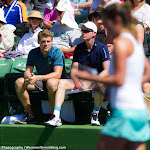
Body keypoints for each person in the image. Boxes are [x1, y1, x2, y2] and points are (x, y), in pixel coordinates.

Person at [75, 3, 150, 150]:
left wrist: (94, 78)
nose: (105, 23)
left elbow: (118, 79)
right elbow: (147, 73)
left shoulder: (122, 44)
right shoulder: (132, 42)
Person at [44, 21, 110, 127]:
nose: (83, 33)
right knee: (61, 83)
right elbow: (74, 70)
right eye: (82, 31)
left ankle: (95, 114)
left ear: (94, 33)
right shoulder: (78, 48)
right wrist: (76, 82)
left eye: (86, 31)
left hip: (97, 80)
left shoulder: (102, 48)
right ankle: (56, 116)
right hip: (83, 80)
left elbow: (107, 70)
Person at [15, 29, 64, 124]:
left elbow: (57, 74)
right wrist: (29, 76)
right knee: (19, 82)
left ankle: (54, 116)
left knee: (51, 82)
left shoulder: (57, 52)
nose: (45, 44)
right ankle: (30, 115)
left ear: (52, 41)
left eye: (48, 41)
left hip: (58, 82)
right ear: (38, 42)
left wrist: (38, 77)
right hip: (41, 82)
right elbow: (27, 71)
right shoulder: (33, 52)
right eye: (43, 41)